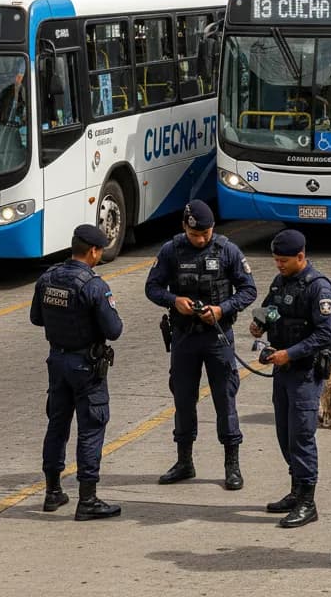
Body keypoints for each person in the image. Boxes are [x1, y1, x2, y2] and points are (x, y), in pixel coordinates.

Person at [145, 201, 257, 491]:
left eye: (206, 233)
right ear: (185, 227)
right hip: (184, 337)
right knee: (183, 400)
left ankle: (232, 465)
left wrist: (222, 309)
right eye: (196, 235)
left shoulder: (227, 250)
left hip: (218, 337)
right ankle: (185, 462)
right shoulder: (171, 250)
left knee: (225, 400)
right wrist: (174, 301)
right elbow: (152, 287)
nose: (202, 239)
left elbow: (249, 289)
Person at [29, 224, 123, 520]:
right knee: (91, 427)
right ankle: (88, 499)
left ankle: (53, 491)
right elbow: (114, 329)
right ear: (93, 251)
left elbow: (36, 318)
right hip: (86, 366)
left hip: (57, 361)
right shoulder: (94, 286)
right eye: (100, 252)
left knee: (57, 425)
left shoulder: (48, 278)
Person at [250, 229, 331, 528]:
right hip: (282, 371)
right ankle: (296, 490)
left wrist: (291, 352)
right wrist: (259, 325)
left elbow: (326, 333)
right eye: (276, 260)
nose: (279, 265)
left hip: (305, 373)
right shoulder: (280, 281)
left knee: (301, 437)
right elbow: (270, 309)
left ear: (301, 256)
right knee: (285, 435)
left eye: (284, 261)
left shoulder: (319, 288)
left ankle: (307, 502)